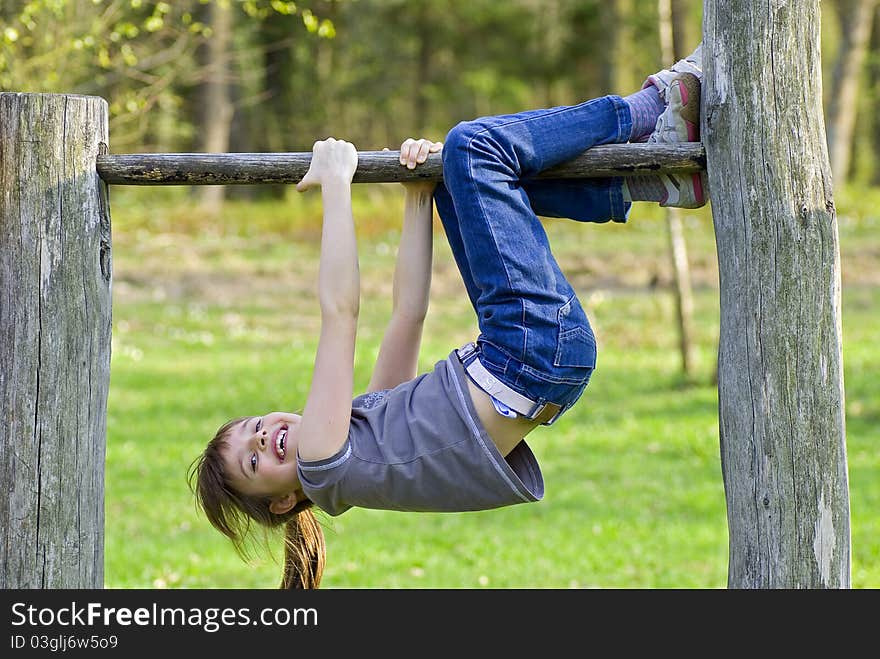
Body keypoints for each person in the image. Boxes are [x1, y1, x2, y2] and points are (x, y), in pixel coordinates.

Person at [188, 45, 707, 589]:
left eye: (253, 426)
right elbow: (340, 312)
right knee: (475, 147)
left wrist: (419, 196)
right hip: (527, 354)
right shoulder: (322, 459)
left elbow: (408, 315)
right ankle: (652, 107)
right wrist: (336, 186)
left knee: (459, 181)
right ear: (284, 502)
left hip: (531, 357)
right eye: (254, 462)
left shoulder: (361, 440)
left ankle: (649, 180)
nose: (264, 437)